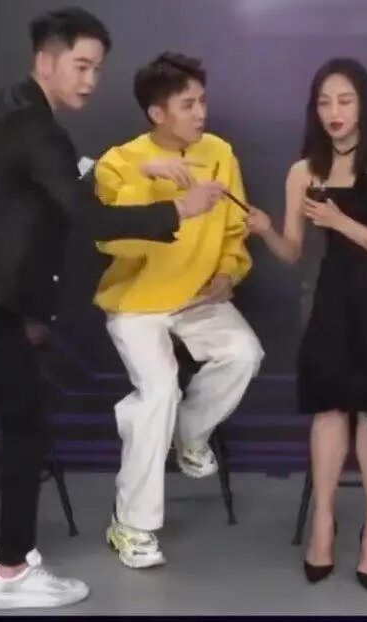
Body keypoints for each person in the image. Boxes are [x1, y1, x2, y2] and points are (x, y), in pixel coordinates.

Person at [0, 9, 224, 609]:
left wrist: (141, 166)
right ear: (46, 61)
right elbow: (88, 217)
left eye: (97, 69)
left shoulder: (5, 108)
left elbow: (57, 174)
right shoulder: (38, 129)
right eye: (81, 66)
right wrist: (177, 210)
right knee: (25, 419)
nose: (90, 81)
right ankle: (13, 572)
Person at [247, 57, 367, 591]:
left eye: (344, 100)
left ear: (364, 104)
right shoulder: (303, 172)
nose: (334, 112)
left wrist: (341, 221)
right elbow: (293, 251)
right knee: (327, 409)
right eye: (324, 102)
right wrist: (265, 230)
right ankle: (322, 522)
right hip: (329, 303)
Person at [93, 52, 263, 569]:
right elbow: (110, 241)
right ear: (156, 113)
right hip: (137, 302)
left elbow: (234, 229)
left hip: (197, 297)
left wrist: (229, 271)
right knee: (158, 392)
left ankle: (189, 434)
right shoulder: (119, 162)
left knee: (244, 352)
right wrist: (148, 178)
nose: (201, 113)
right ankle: (131, 526)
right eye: (188, 105)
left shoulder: (219, 153)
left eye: (202, 101)